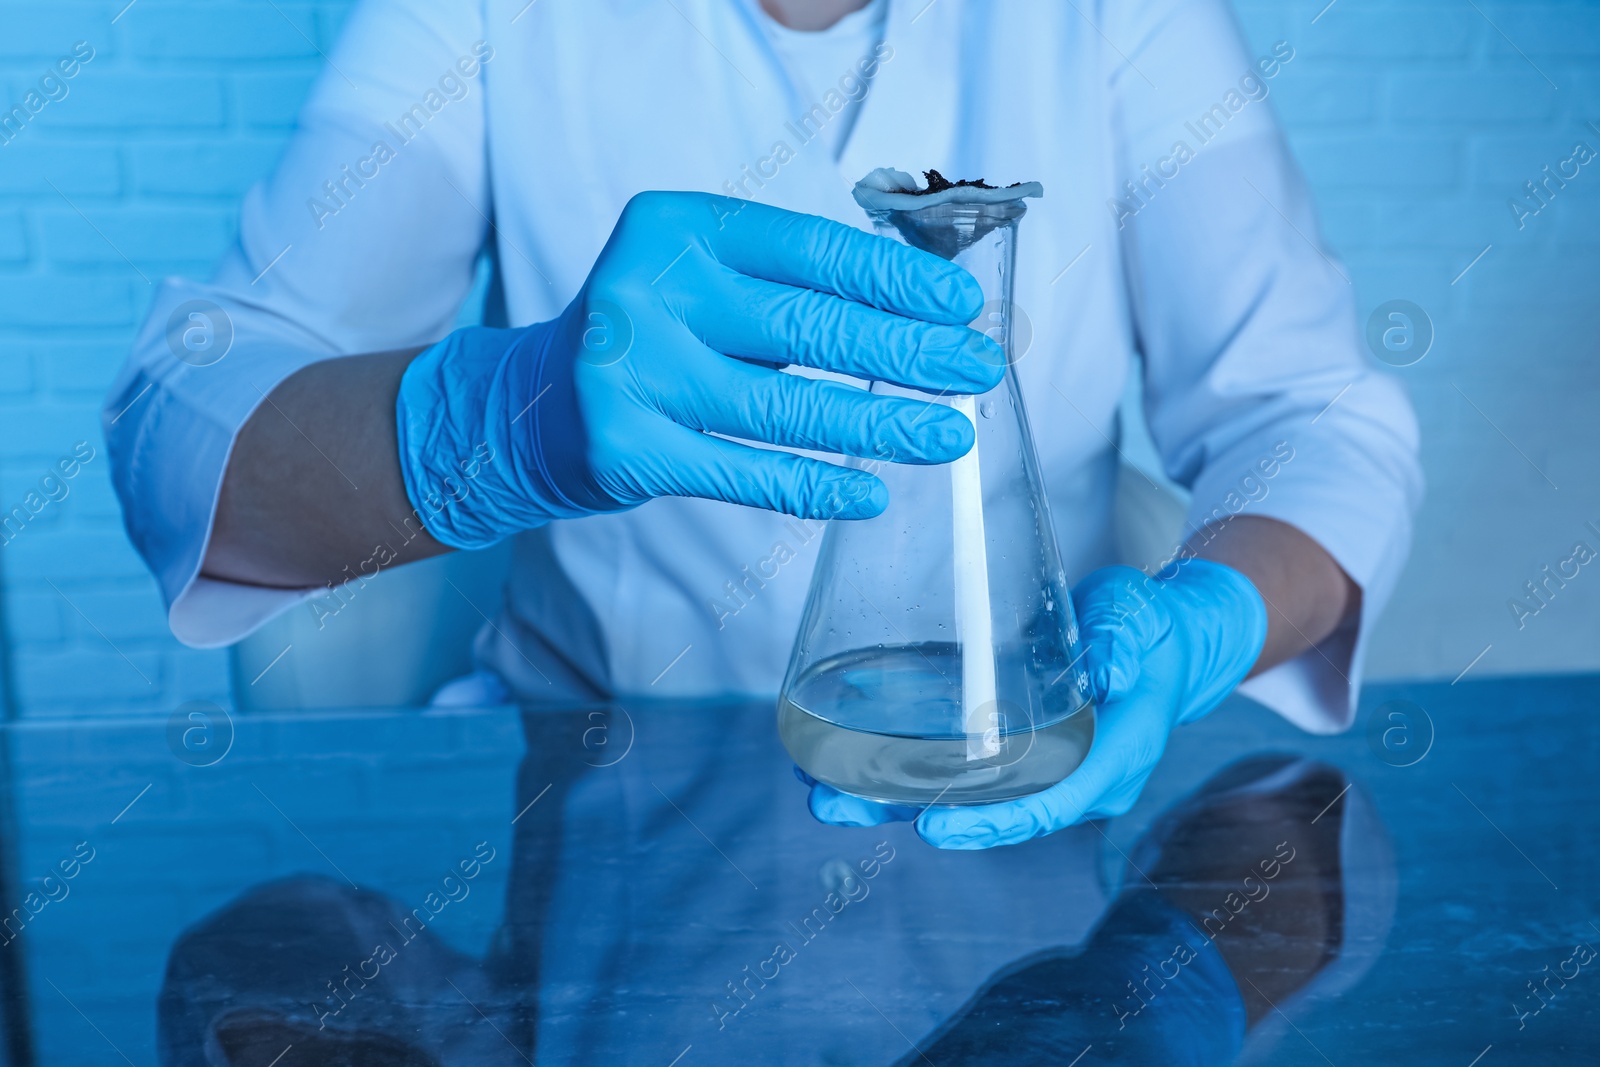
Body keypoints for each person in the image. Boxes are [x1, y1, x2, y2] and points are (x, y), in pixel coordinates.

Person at [104, 0, 1421, 850]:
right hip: (603, 817)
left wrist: (1207, 619)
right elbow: (177, 420)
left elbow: (1311, 415)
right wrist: (499, 416)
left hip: (1016, 796)